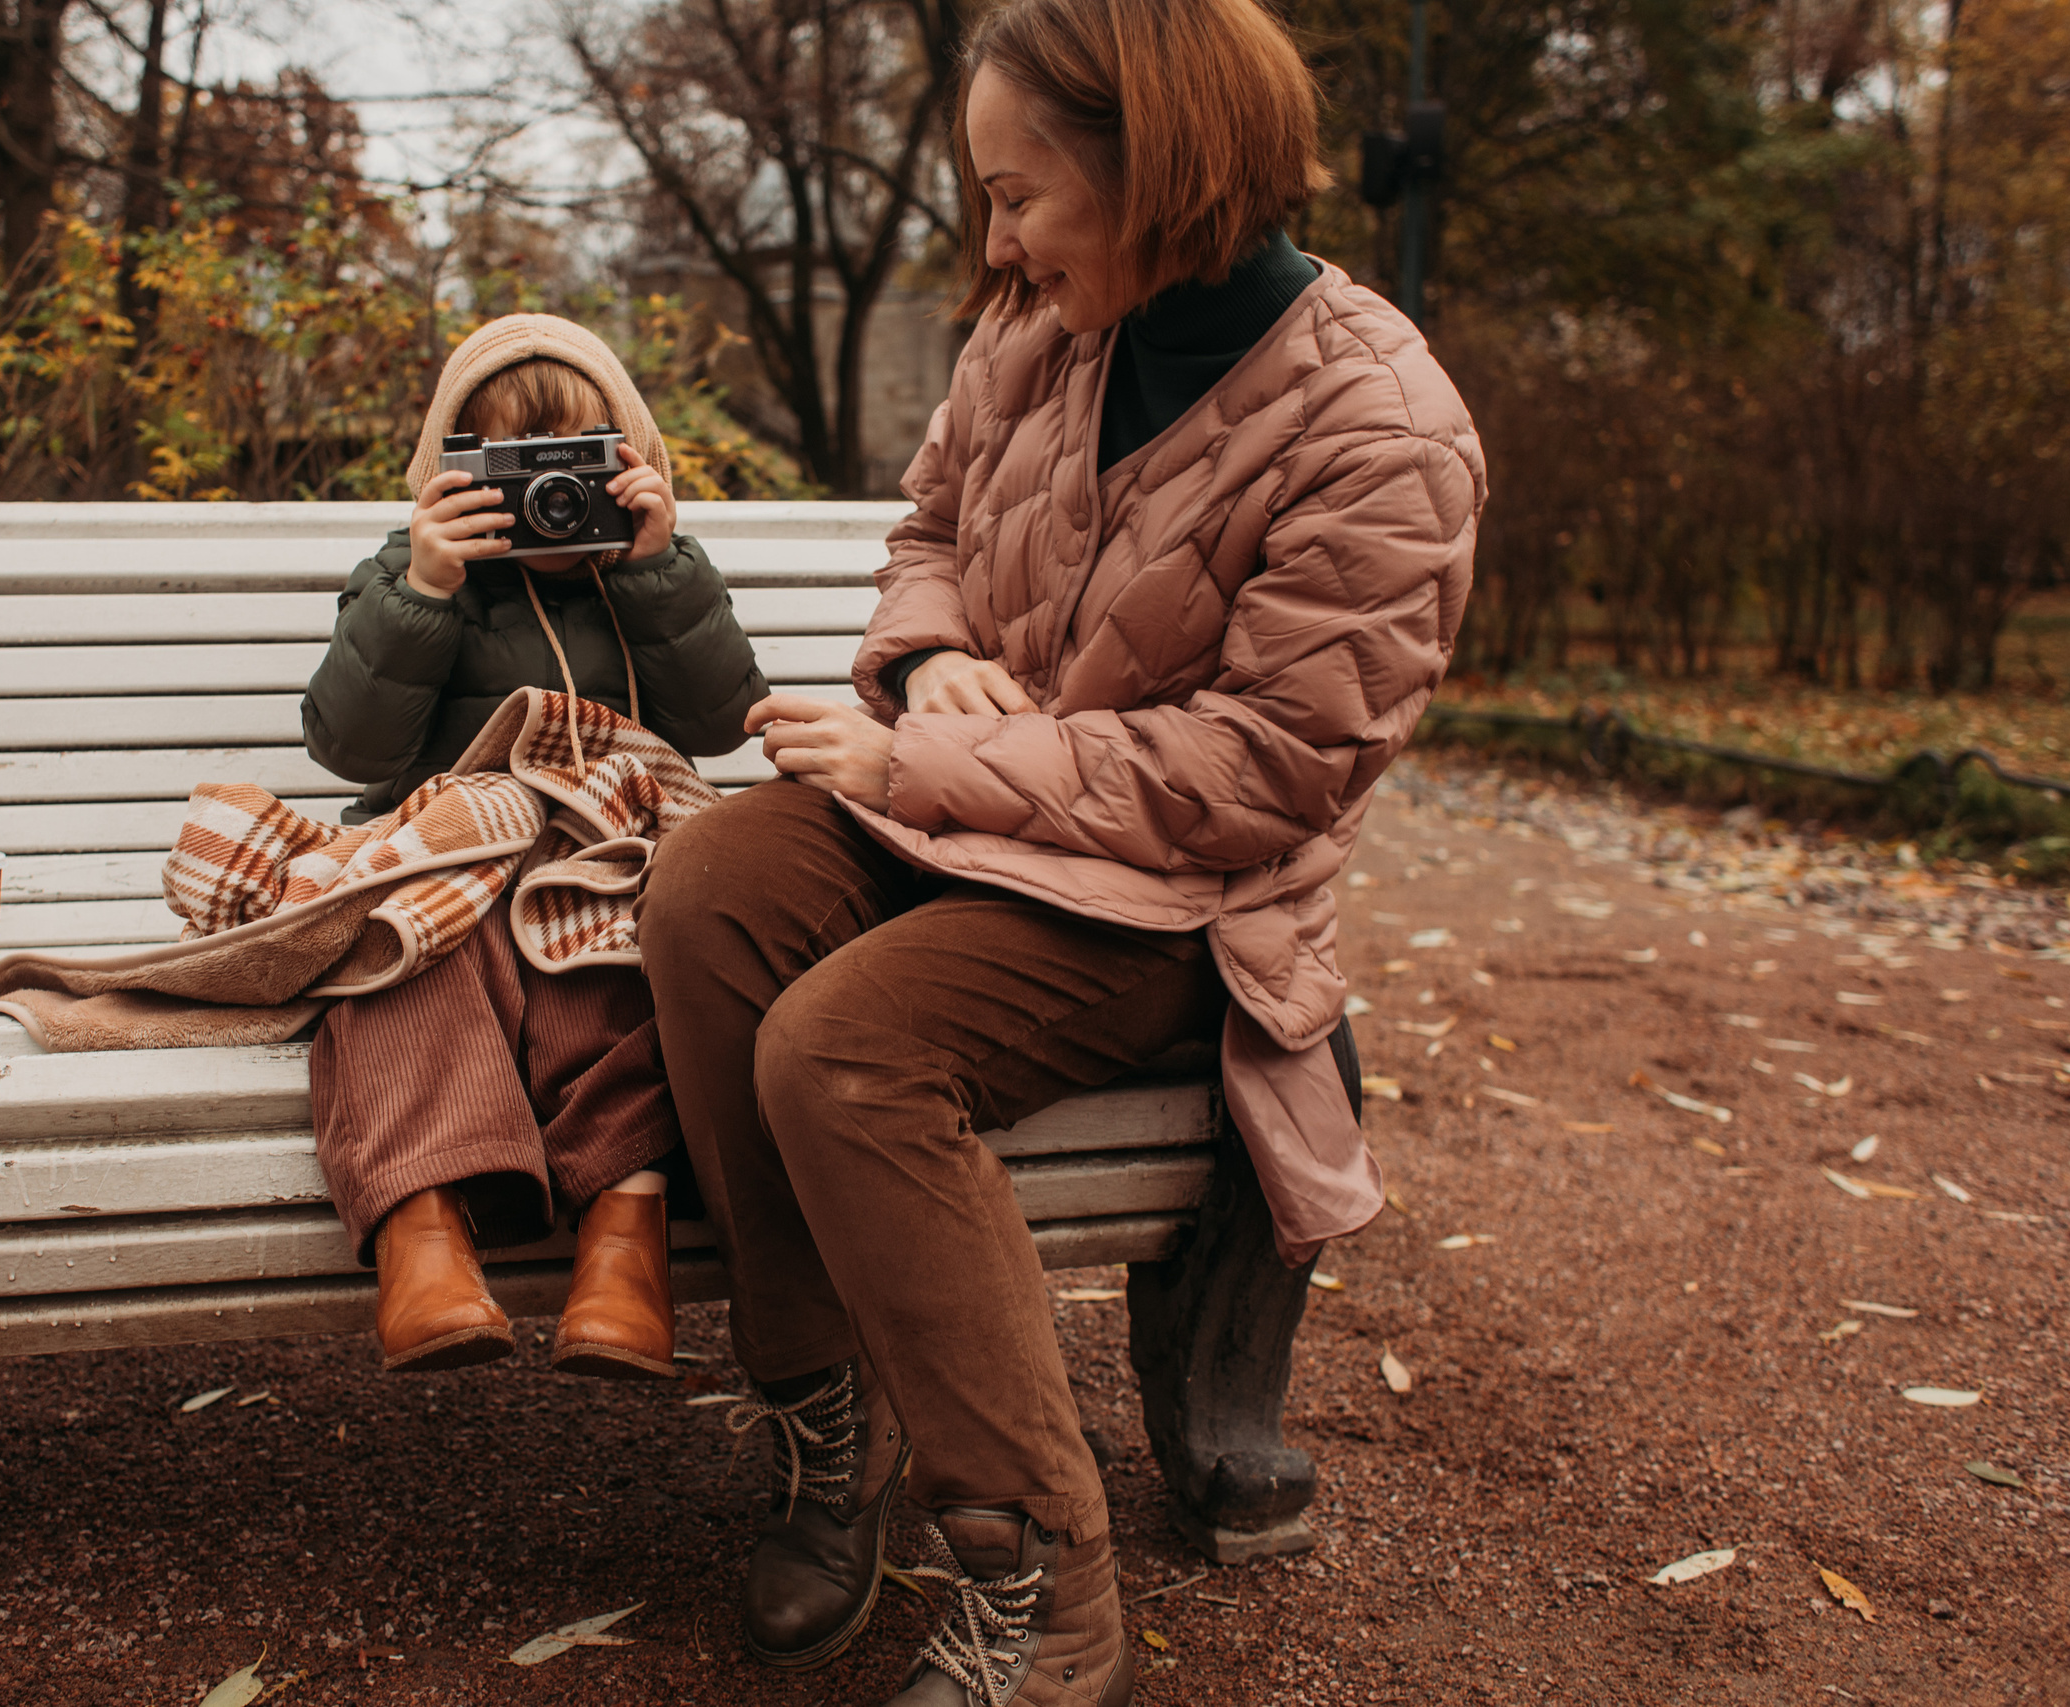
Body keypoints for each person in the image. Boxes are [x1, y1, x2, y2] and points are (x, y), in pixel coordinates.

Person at [634, 0, 1487, 1697]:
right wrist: (931, 650)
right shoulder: (1042, 328)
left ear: (1157, 164)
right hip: (965, 817)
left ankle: (1036, 1572)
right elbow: (932, 530)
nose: (998, 239)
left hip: (1180, 901)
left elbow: (1270, 768)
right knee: (709, 890)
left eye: (1020, 196)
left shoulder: (1381, 423)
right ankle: (827, 1430)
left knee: (847, 1053)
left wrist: (940, 755)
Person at [301, 314, 767, 1379]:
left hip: (598, 851)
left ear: (632, 462)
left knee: (619, 962)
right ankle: (423, 1240)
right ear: (449, 473)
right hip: (458, 855)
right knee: (398, 956)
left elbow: (717, 723)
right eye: (512, 469)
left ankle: (624, 1243)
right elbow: (347, 743)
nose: (548, 499)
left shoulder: (651, 569)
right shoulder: (417, 571)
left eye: (578, 466)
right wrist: (422, 592)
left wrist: (660, 572)